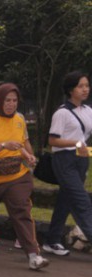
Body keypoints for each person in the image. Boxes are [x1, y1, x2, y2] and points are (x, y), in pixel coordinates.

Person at [0, 83, 49, 270]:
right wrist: (3, 145)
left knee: (22, 210)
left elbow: (20, 144)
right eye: (7, 100)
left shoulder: (19, 119)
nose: (11, 104)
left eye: (14, 101)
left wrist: (27, 156)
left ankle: (33, 255)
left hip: (16, 175)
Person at [44, 71, 92, 255]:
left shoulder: (88, 111)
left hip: (81, 159)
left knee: (65, 201)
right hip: (64, 160)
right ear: (71, 90)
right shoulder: (62, 113)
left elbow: (84, 139)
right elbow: (52, 141)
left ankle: (52, 240)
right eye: (81, 86)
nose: (85, 89)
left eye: (87, 85)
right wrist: (76, 143)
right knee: (82, 201)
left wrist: (83, 148)